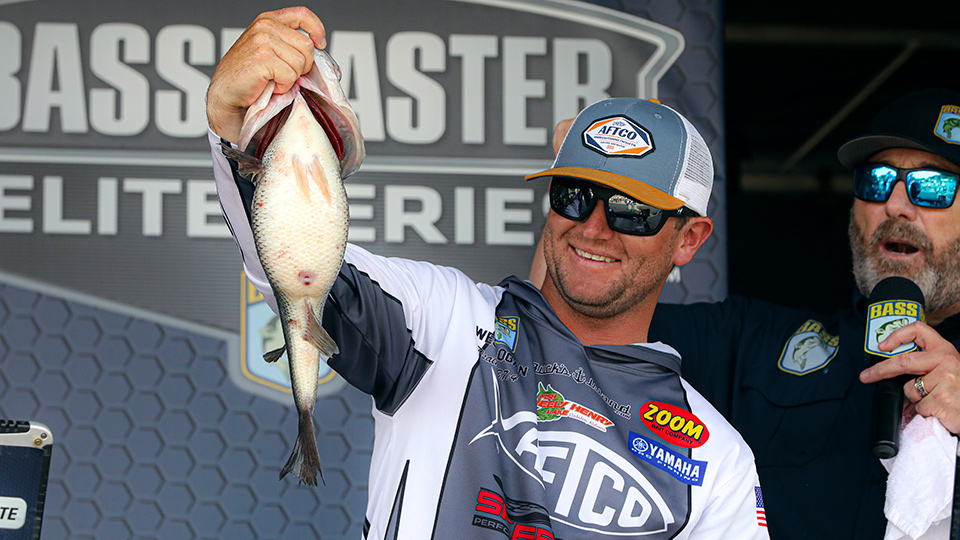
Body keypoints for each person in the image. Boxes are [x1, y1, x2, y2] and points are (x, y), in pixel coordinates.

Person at [207, 7, 770, 539]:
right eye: (574, 195)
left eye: (631, 211)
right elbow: (296, 265)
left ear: (689, 238)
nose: (594, 228)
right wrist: (234, 131)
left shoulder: (717, 462)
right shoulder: (446, 322)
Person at [637, 88, 960, 540]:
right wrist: (589, 185)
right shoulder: (752, 340)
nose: (896, 205)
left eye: (934, 186)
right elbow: (571, 328)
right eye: (877, 180)